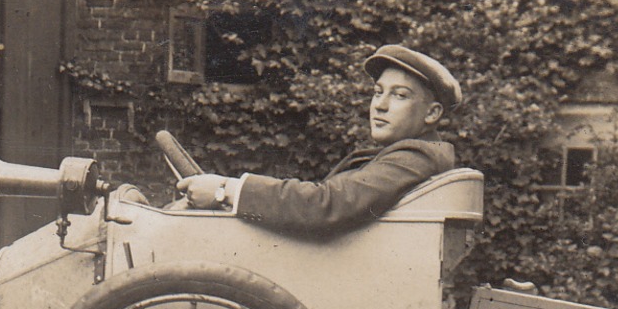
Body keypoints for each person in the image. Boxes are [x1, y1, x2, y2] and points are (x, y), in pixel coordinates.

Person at [178, 44, 461, 236]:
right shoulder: (407, 154)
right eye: (377, 92)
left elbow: (326, 204)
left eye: (399, 95)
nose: (380, 105)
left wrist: (225, 190)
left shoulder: (417, 155)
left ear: (432, 113)